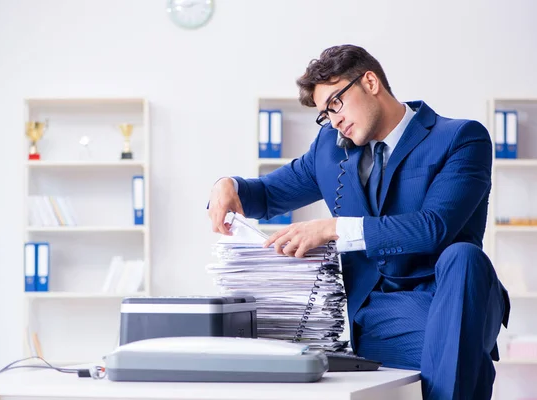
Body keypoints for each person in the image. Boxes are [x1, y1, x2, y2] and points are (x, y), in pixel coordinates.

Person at [207, 44, 510, 400]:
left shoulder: (460, 138)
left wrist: (334, 228)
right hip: (379, 316)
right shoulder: (331, 147)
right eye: (324, 113)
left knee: (463, 257)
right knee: (460, 358)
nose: (333, 119)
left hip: (453, 295)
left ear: (370, 82)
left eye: (336, 103)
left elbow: (434, 227)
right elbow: (268, 194)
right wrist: (226, 185)